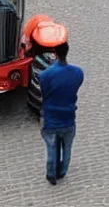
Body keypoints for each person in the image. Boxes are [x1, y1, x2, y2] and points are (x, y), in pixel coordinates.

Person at [39, 41, 84, 186]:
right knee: (67, 146)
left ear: (55, 54)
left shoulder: (46, 75)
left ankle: (51, 174)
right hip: (69, 117)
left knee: (51, 148)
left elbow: (44, 93)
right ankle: (63, 170)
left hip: (51, 117)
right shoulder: (77, 72)